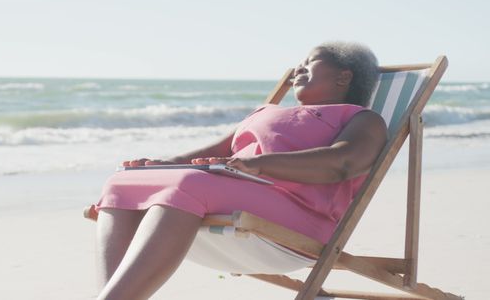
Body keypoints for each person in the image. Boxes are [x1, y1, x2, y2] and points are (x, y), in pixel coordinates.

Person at [91, 41, 388, 300]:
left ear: (343, 76)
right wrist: (161, 165)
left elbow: (343, 163)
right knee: (121, 184)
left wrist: (260, 166)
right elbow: (214, 152)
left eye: (310, 62)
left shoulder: (362, 118)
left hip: (300, 217)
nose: (298, 68)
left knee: (189, 184)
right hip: (236, 192)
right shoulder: (268, 112)